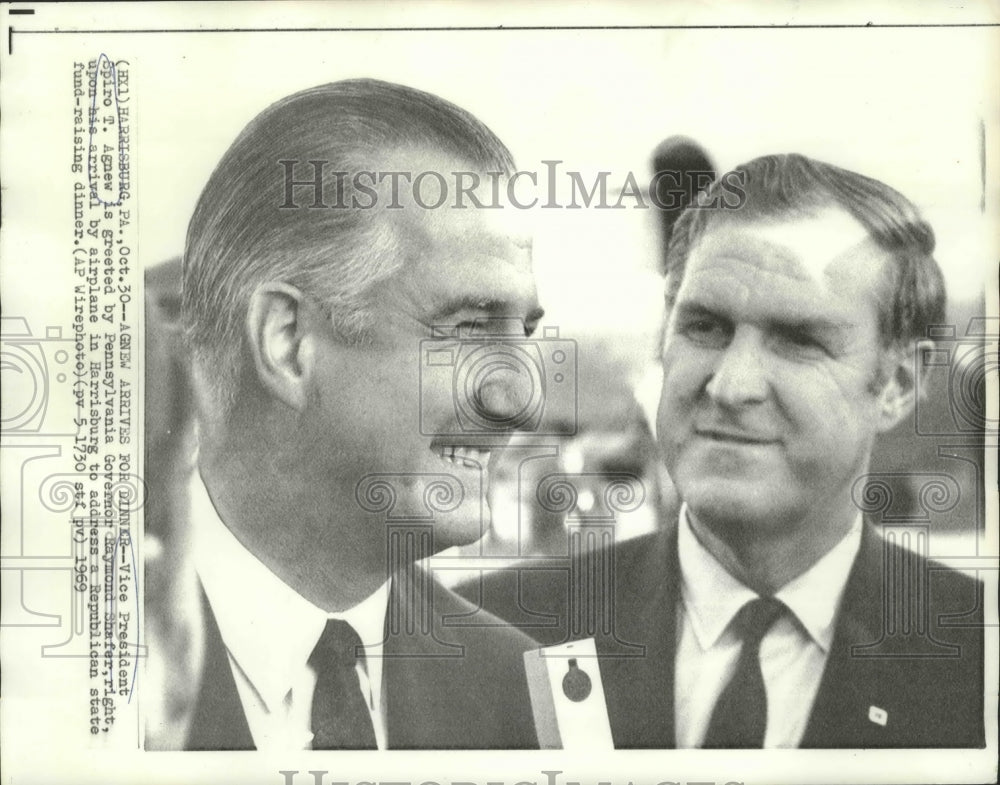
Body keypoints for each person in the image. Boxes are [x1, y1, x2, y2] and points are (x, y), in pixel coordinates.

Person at [465, 153, 984, 748]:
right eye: (705, 327)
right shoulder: (497, 638)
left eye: (799, 340)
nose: (731, 385)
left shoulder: (974, 658)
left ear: (898, 385)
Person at [145, 78, 545, 750]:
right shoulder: (100, 671)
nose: (522, 400)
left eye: (525, 332)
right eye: (470, 326)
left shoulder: (515, 688)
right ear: (288, 341)